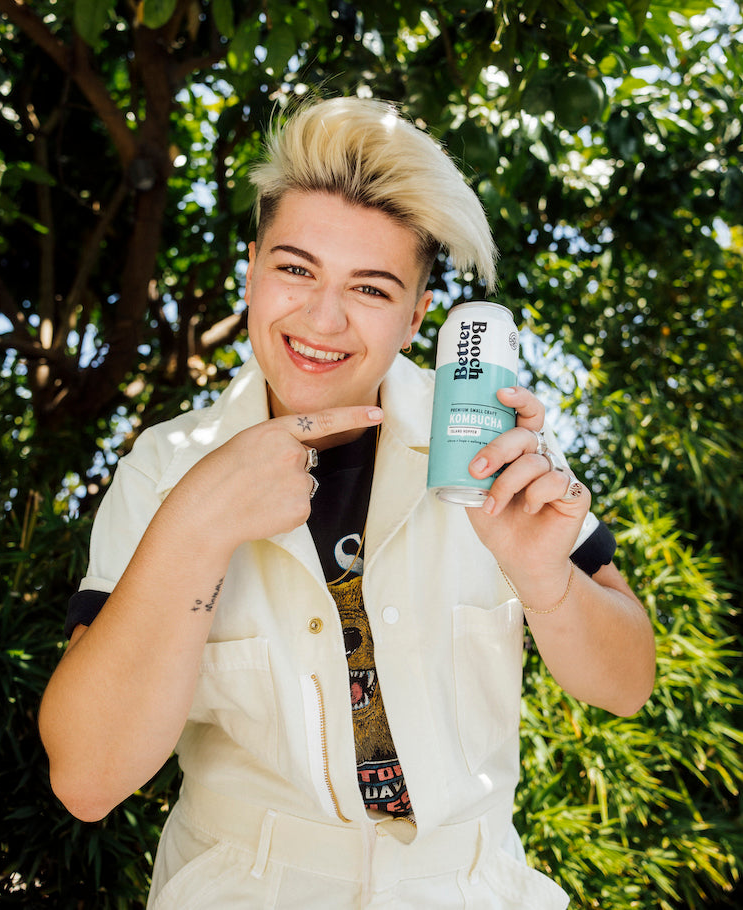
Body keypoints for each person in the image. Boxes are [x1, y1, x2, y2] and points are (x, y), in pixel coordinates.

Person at [38, 95, 655, 909]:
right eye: (296, 269)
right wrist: (198, 524)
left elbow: (627, 685)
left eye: (370, 288)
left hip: (468, 888)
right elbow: (87, 779)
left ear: (416, 316)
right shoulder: (166, 466)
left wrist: (547, 581)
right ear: (252, 269)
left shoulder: (492, 445)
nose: (322, 319)